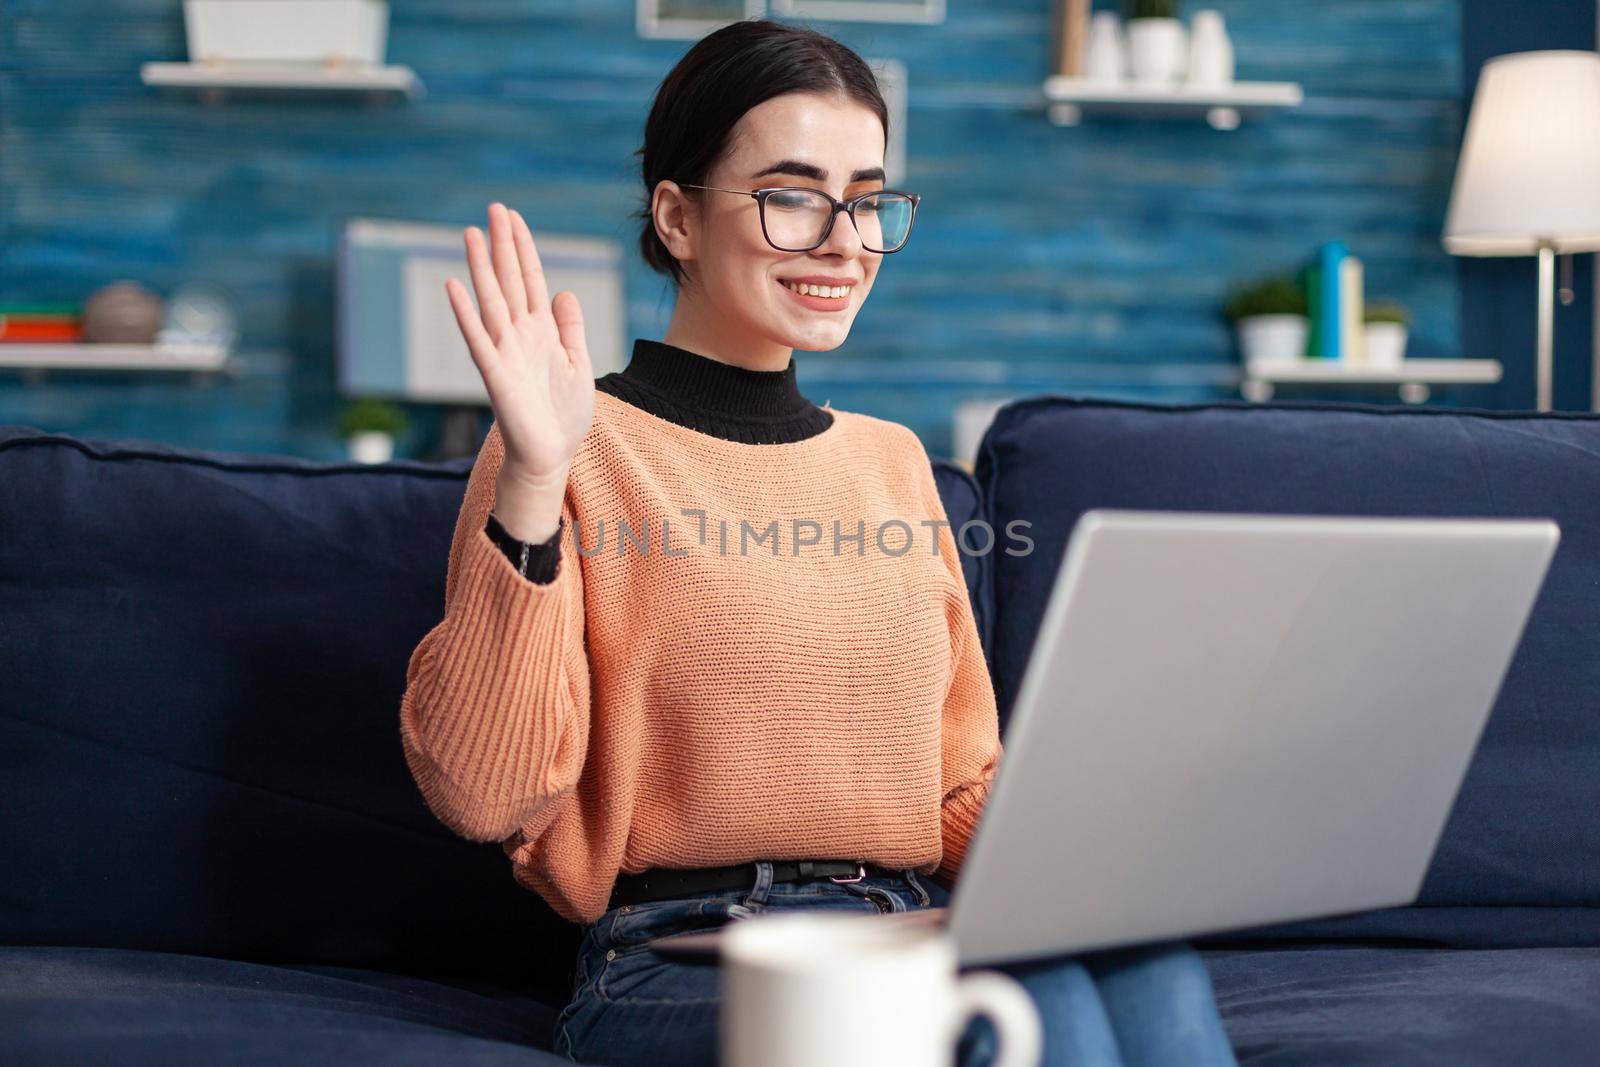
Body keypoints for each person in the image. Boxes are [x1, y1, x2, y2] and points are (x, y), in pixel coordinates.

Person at [398, 17, 1237, 1067]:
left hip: (901, 921)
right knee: (1025, 1016)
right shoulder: (570, 440)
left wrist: (1128, 854)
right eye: (793, 196)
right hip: (684, 955)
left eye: (869, 199)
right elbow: (484, 792)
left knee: (1139, 965)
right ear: (678, 217)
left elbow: (951, 783)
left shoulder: (892, 465)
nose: (845, 240)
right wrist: (530, 471)